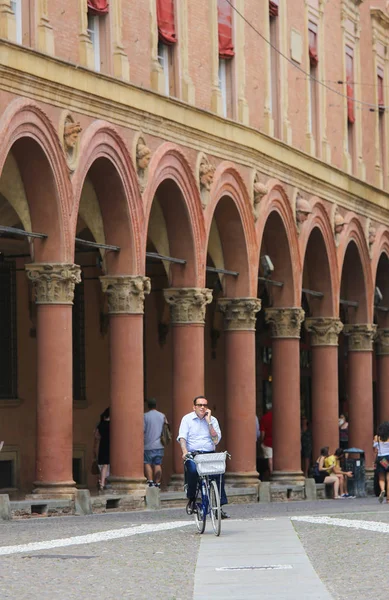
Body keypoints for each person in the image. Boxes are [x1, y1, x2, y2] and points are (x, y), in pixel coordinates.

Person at [177, 396, 229, 519]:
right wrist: (185, 452)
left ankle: (218, 507)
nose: (202, 407)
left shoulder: (213, 420)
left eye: (204, 405)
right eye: (199, 405)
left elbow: (216, 441)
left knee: (219, 473)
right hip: (193, 454)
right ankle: (192, 499)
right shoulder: (187, 419)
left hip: (209, 454)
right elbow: (182, 437)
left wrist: (209, 422)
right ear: (194, 407)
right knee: (192, 471)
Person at [144, 398, 167, 488]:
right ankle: (157, 483)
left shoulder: (145, 416)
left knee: (147, 463)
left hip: (148, 445)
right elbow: (166, 428)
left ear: (148, 406)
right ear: (156, 405)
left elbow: (142, 430)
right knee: (158, 464)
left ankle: (150, 482)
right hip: (159, 445)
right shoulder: (162, 415)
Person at [94, 407, 110, 491]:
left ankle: (102, 483)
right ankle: (107, 482)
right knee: (109, 465)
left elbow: (96, 436)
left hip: (103, 444)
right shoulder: (113, 424)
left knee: (104, 465)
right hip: (111, 445)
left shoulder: (100, 424)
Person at [373, 421, 389, 503]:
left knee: (381, 478)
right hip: (388, 458)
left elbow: (375, 449)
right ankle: (388, 498)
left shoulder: (377, 437)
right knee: (388, 478)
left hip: (381, 458)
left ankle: (382, 490)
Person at [260, 406, 273, 476]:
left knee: (270, 458)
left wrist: (261, 440)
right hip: (277, 442)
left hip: (268, 441)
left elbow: (262, 432)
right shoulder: (278, 417)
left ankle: (271, 473)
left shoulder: (264, 418)